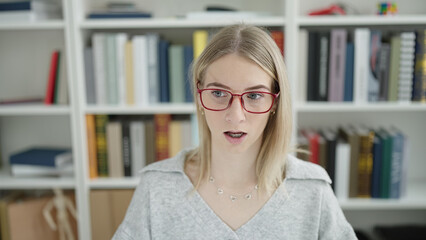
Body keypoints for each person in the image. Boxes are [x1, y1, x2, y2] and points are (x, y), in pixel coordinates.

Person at [113, 24, 357, 239]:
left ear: (275, 102)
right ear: (199, 96)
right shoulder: (156, 188)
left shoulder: (313, 190)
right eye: (218, 93)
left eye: (254, 96)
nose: (236, 116)